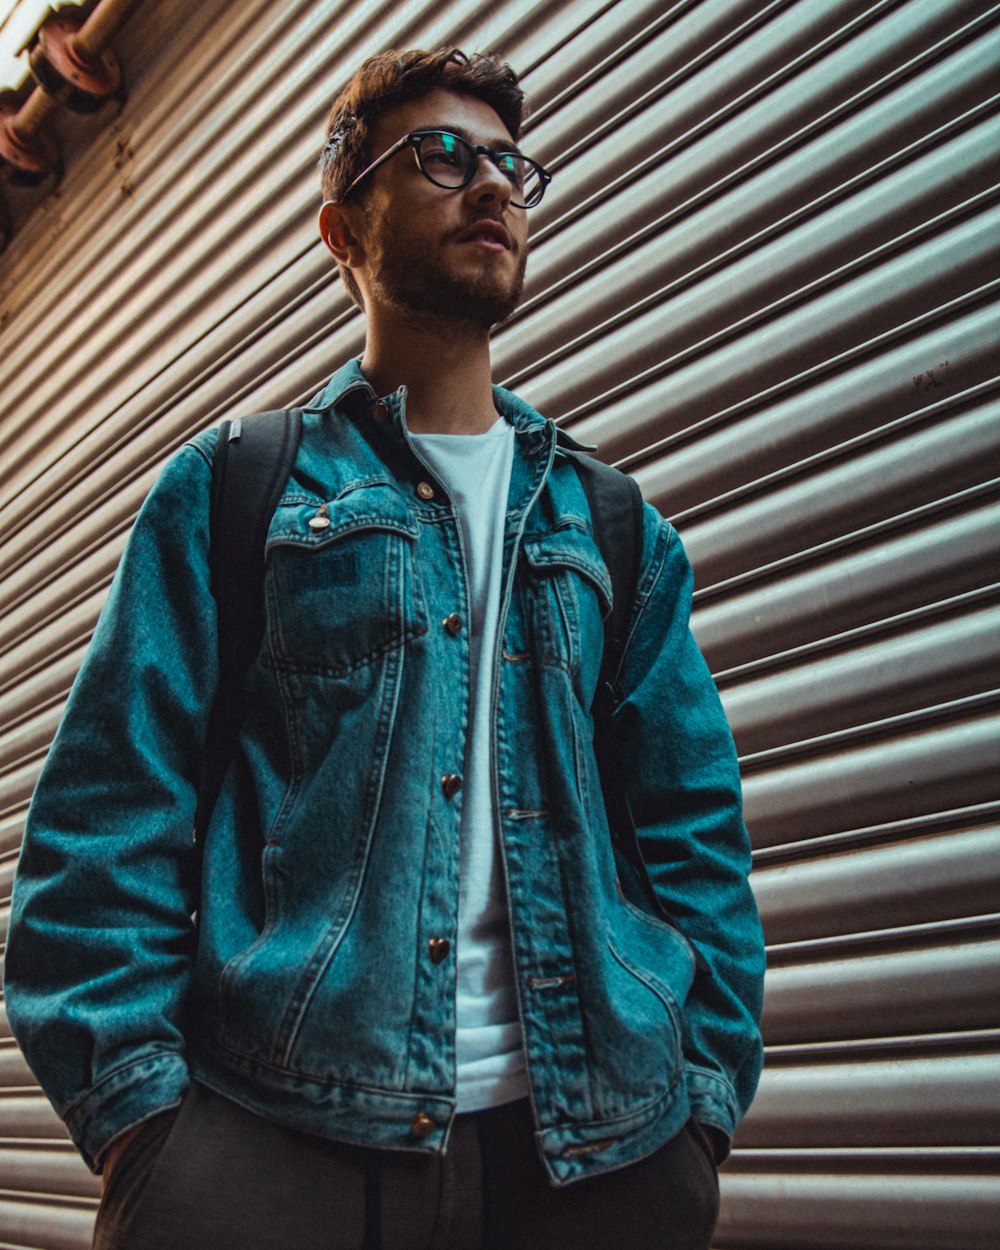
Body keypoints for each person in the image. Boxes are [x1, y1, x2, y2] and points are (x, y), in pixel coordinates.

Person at [5, 47, 765, 1250]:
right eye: (441, 157)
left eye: (510, 163)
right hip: (272, 1141)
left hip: (595, 1154)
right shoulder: (235, 490)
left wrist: (696, 1118)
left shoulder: (616, 529)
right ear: (340, 229)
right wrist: (152, 1129)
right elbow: (105, 822)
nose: (493, 186)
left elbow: (694, 839)